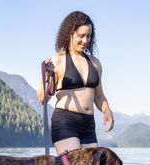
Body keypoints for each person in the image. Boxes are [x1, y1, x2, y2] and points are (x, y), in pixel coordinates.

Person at [37, 11, 114, 155]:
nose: (85, 40)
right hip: (65, 121)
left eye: (89, 36)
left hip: (88, 124)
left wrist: (107, 110)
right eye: (81, 35)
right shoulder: (57, 61)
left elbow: (99, 96)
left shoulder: (95, 63)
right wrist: (46, 77)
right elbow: (43, 99)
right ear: (70, 34)